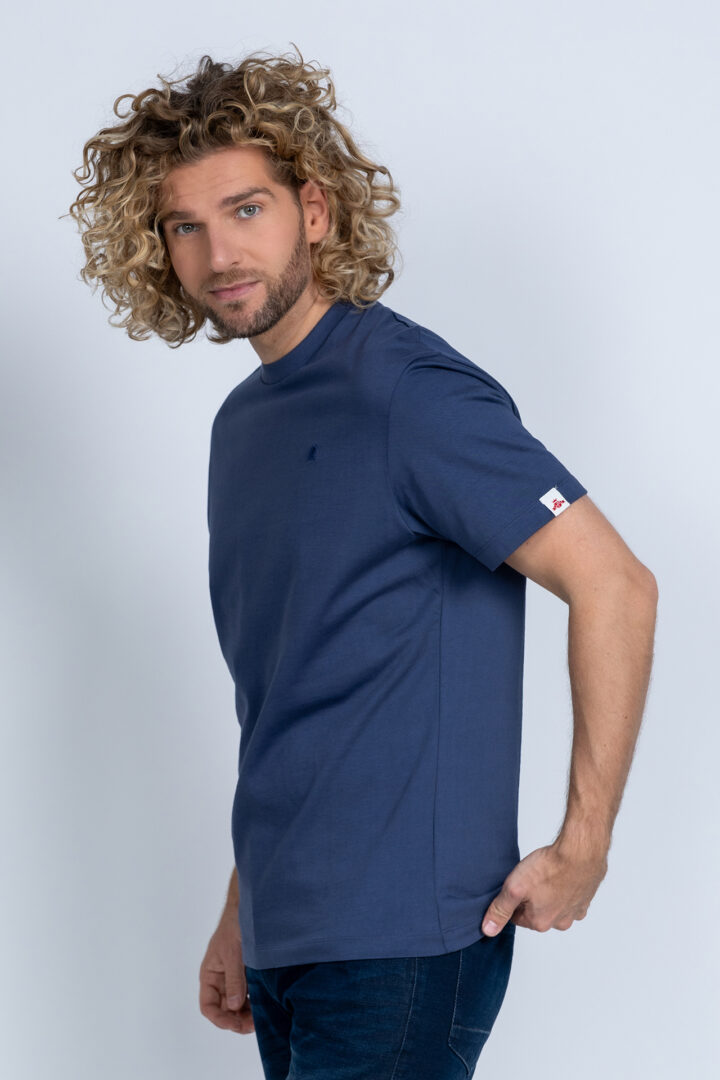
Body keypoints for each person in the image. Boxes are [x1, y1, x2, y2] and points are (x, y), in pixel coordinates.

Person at [67, 46, 658, 1079]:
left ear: (316, 210)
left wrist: (585, 843)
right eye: (185, 226)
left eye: (246, 210)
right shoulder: (243, 428)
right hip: (290, 935)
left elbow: (616, 583)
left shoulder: (410, 395)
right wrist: (244, 909)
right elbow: (288, 694)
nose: (219, 253)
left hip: (404, 941)